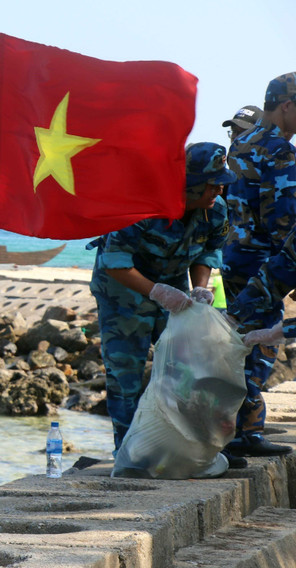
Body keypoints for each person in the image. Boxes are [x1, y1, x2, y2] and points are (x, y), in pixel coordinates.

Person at [88, 142, 236, 460]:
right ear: (190, 182)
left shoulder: (217, 209)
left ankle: (191, 450)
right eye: (213, 183)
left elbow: (209, 250)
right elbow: (114, 263)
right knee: (125, 375)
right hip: (122, 294)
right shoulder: (141, 207)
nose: (220, 189)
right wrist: (156, 292)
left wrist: (199, 288)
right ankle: (129, 455)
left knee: (187, 370)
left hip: (175, 290)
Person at [219, 72, 296, 457]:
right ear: (286, 106)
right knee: (256, 347)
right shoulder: (280, 151)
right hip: (265, 263)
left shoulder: (240, 143)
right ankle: (238, 433)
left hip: (235, 256)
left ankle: (244, 430)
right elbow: (283, 219)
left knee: (239, 343)